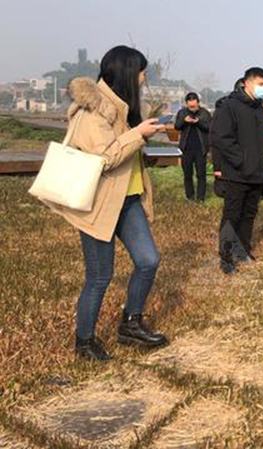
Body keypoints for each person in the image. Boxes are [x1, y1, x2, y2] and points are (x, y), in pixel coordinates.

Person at [41, 46, 168, 361]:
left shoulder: (124, 108)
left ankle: (131, 324)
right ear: (128, 72)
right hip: (98, 204)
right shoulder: (93, 111)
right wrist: (138, 134)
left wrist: (141, 131)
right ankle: (84, 342)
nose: (144, 78)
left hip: (128, 200)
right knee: (100, 276)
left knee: (148, 260)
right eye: (142, 72)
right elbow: (104, 158)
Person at [210, 67, 263, 274]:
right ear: (246, 82)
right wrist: (241, 160)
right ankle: (226, 257)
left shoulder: (258, 109)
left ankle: (242, 251)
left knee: (249, 214)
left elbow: (262, 139)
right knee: (232, 215)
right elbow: (221, 138)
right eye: (260, 84)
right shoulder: (229, 106)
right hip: (236, 173)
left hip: (256, 173)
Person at [174, 92, 211, 202]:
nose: (192, 109)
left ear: (198, 103)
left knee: (201, 174)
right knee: (187, 174)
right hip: (186, 148)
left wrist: (198, 122)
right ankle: (189, 196)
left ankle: (200, 197)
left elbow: (210, 127)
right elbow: (177, 126)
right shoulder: (182, 112)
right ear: (187, 104)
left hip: (201, 148)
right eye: (190, 106)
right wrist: (184, 121)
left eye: (194, 106)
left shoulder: (205, 113)